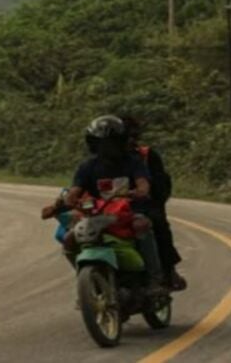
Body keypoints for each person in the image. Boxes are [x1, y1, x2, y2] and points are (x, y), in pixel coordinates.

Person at [59, 115, 167, 296]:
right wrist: (69, 198)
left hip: (129, 212)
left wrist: (140, 190)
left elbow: (143, 182)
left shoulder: (133, 162)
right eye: (101, 143)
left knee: (142, 226)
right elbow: (76, 189)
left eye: (111, 143)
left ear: (120, 142)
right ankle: (86, 281)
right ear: (93, 144)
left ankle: (154, 279)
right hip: (97, 215)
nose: (106, 148)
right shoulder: (87, 166)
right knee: (70, 238)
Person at [120, 115, 187, 292]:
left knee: (157, 223)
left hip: (144, 205)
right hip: (112, 207)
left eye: (132, 136)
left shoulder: (145, 156)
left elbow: (160, 186)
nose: (130, 140)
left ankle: (167, 271)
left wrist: (146, 196)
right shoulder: (103, 160)